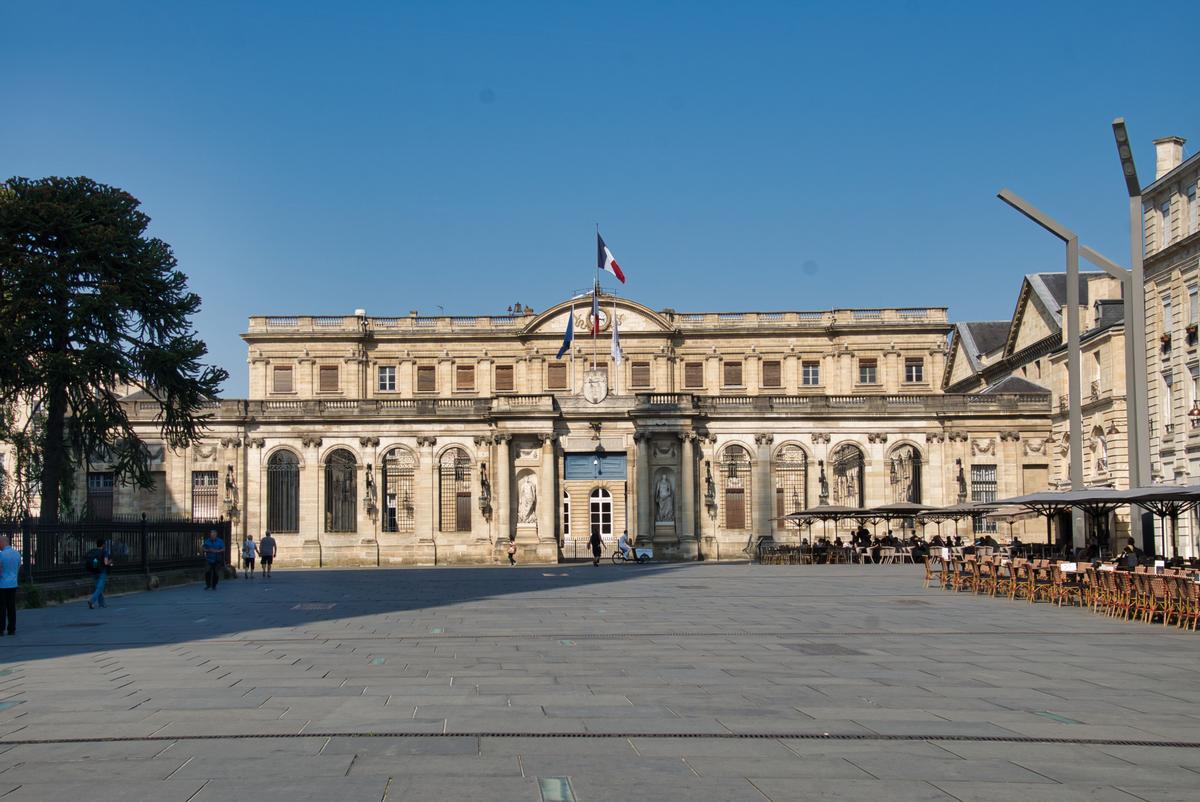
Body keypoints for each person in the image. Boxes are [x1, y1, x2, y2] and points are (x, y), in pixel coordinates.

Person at [0, 535, 21, 637]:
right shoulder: (17, 554)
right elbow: (18, 568)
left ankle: (1, 629)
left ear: (3, 542)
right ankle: (11, 629)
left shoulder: (1, 555)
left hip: (2, 584)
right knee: (11, 607)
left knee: (1, 607)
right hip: (13, 584)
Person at [86, 537, 112, 609]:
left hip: (93, 571)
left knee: (98, 588)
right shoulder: (104, 552)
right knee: (100, 588)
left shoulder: (93, 551)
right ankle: (92, 600)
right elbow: (105, 563)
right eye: (105, 544)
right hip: (102, 572)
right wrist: (110, 562)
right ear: (103, 545)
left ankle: (102, 604)